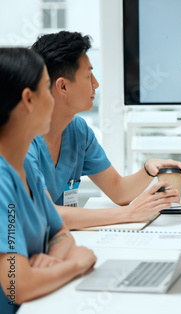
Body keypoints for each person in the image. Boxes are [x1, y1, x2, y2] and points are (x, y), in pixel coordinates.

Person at [28, 31, 181, 230]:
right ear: (63, 86)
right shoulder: (21, 139)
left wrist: (148, 169)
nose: (95, 84)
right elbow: (45, 213)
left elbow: (118, 190)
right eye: (88, 76)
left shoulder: (78, 131)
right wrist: (128, 214)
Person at [0, 48, 97, 314]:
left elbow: (60, 232)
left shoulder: (25, 169)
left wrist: (51, 262)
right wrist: (76, 263)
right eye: (46, 88)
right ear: (28, 100)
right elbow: (15, 285)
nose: (53, 100)